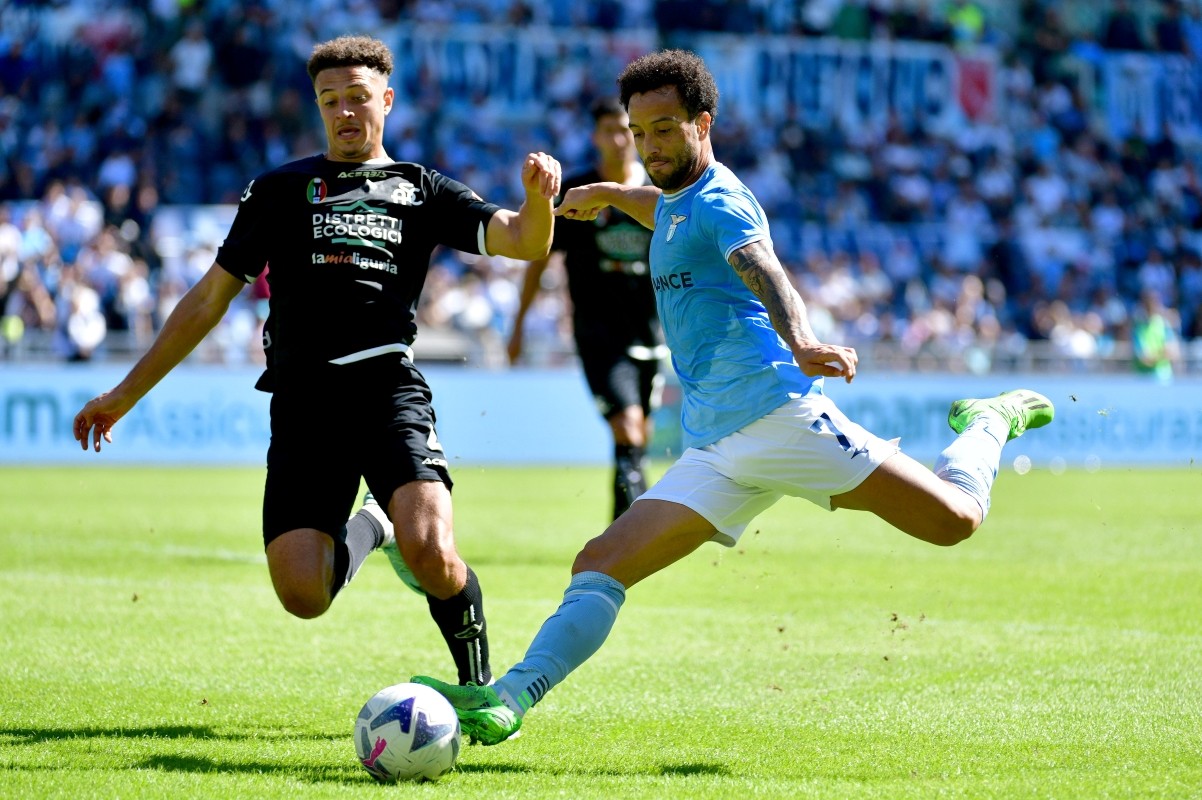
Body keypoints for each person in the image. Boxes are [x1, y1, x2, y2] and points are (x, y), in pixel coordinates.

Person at [411, 49, 1055, 744]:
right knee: (598, 563)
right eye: (639, 132)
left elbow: (764, 269)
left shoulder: (720, 201)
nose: (650, 146)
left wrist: (803, 339)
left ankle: (988, 422)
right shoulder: (677, 202)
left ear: (702, 122)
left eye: (664, 129)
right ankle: (508, 700)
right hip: (717, 448)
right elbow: (663, 210)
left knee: (956, 520)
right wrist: (608, 193)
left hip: (784, 422)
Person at [72, 35, 562, 688]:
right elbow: (208, 300)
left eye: (358, 97)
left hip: (388, 391)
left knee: (434, 554)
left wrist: (537, 200)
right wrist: (127, 392)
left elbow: (523, 242)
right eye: (330, 100)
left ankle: (481, 693)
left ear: (386, 100)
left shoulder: (421, 189)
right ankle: (370, 529)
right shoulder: (279, 190)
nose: (344, 111)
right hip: (304, 405)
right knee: (303, 596)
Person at [507, 97, 666, 521]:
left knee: (637, 438)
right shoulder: (578, 194)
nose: (619, 140)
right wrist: (519, 325)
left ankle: (624, 531)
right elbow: (538, 259)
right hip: (599, 335)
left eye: (625, 130)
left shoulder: (658, 195)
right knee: (628, 427)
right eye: (609, 130)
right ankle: (639, 528)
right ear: (595, 137)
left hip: (652, 334)